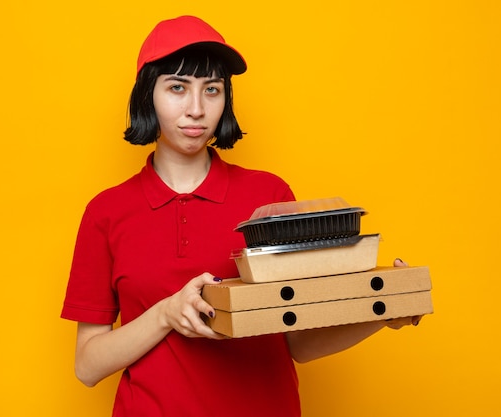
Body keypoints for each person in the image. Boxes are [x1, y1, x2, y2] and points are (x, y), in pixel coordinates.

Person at [61, 15, 421, 417]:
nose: (196, 109)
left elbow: (297, 342)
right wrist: (165, 313)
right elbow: (87, 365)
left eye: (211, 90)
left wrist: (383, 311)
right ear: (148, 95)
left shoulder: (268, 197)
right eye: (177, 88)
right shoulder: (106, 212)